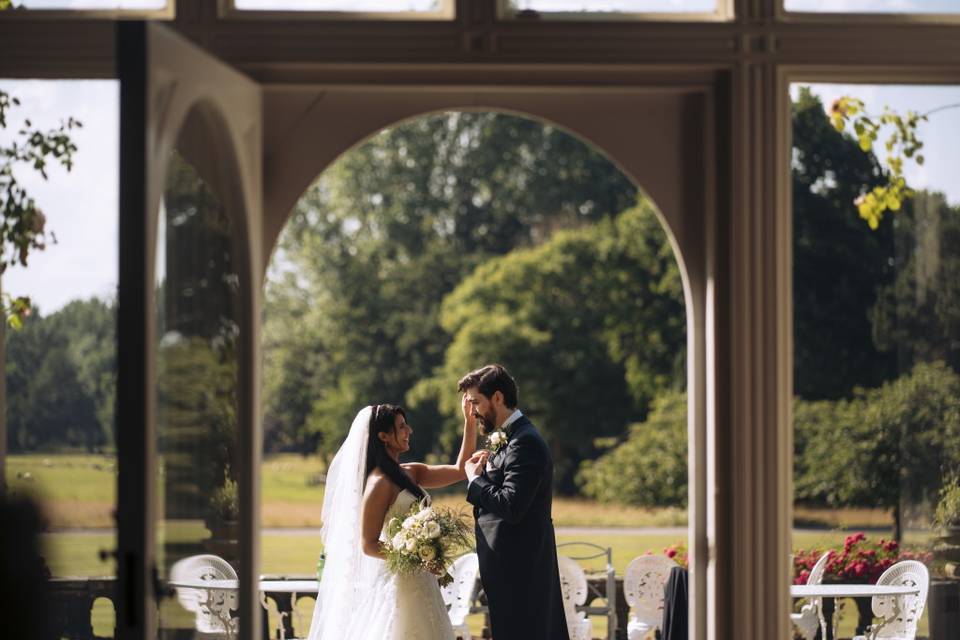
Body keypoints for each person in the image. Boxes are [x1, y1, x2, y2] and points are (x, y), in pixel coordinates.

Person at [306, 399, 477, 640]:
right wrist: (414, 556)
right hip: (399, 584)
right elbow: (368, 544)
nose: (409, 431)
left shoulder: (411, 472)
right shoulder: (378, 483)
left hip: (424, 581)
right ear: (383, 436)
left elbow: (461, 470)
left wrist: (469, 423)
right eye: (402, 426)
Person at [460, 364, 569, 640]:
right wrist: (485, 472)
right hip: (510, 570)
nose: (472, 411)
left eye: (476, 402)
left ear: (497, 398)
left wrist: (475, 480)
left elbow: (512, 506)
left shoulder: (524, 442)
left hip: (522, 572)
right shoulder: (509, 439)